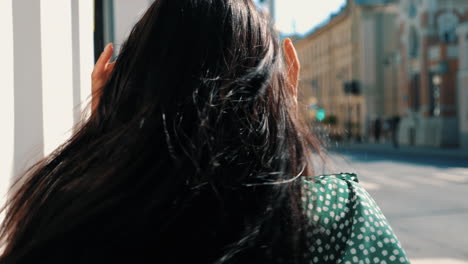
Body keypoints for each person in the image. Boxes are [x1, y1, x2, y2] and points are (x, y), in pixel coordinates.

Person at [0, 0, 410, 263]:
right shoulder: (338, 216)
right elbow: (283, 202)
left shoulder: (61, 209)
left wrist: (101, 126)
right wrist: (286, 120)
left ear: (127, 88)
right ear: (272, 89)